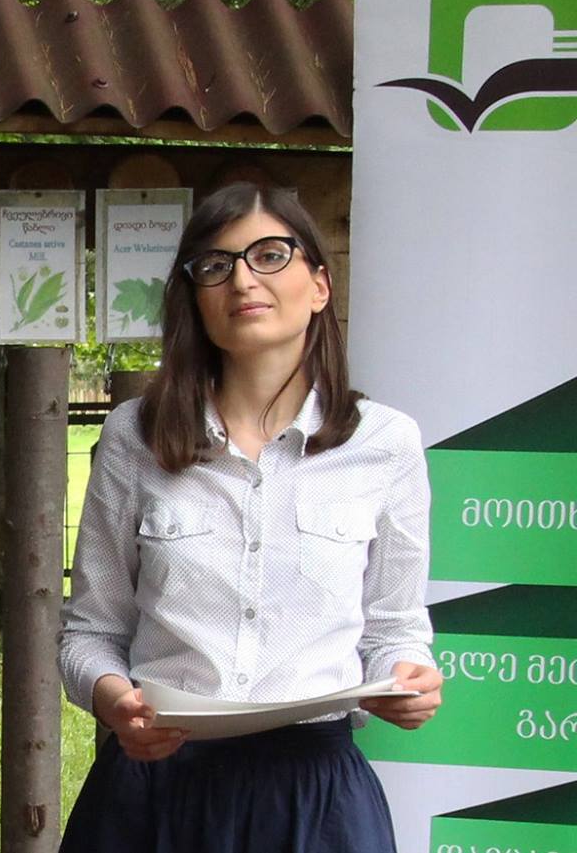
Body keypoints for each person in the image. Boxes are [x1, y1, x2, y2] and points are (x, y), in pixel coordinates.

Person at [58, 183, 443, 853]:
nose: (242, 279)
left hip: (316, 797)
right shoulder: (134, 436)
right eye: (216, 264)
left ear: (319, 285)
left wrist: (408, 676)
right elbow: (91, 632)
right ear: (195, 299)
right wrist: (115, 700)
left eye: (269, 255)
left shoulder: (386, 442)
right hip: (156, 788)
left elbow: (394, 629)